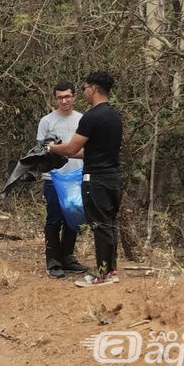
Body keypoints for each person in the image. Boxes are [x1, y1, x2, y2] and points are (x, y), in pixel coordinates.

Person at [48, 71, 122, 287]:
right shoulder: (114, 116)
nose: (84, 93)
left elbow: (72, 148)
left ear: (93, 88)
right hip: (113, 177)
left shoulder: (92, 116)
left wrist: (53, 148)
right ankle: (110, 270)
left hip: (96, 179)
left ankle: (103, 274)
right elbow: (91, 152)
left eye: (84, 88)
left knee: (99, 225)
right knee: (108, 224)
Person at [37, 82, 88, 278]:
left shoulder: (82, 120)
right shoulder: (47, 121)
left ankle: (67, 257)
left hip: (76, 176)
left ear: (74, 96)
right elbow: (41, 151)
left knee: (72, 217)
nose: (64, 100)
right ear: (55, 98)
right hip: (54, 177)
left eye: (67, 96)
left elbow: (88, 148)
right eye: (60, 97)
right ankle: (53, 261)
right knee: (54, 218)